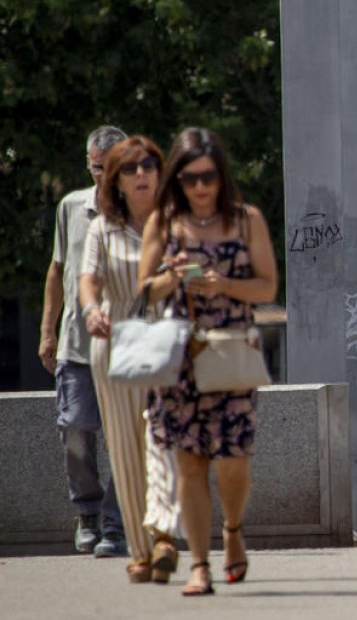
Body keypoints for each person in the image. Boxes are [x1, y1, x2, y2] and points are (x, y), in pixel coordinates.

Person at [139, 128, 278, 596]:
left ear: (222, 176)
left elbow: (267, 288)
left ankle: (233, 530)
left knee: (233, 463)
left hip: (231, 352)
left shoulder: (246, 220)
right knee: (191, 464)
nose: (200, 187)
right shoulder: (164, 221)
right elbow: (144, 292)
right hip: (181, 360)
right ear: (177, 180)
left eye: (209, 177)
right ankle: (199, 565)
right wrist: (169, 277)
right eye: (190, 178)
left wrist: (223, 285)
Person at [78, 136, 181, 583]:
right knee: (125, 449)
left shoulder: (176, 223)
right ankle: (141, 553)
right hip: (115, 345)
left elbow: (192, 273)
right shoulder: (102, 228)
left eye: (149, 166)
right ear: (116, 181)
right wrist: (91, 310)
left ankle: (162, 535)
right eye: (130, 168)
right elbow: (88, 280)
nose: (141, 174)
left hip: (165, 343)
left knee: (164, 442)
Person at [39, 125, 128, 557]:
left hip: (129, 346)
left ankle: (115, 522)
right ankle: (88, 512)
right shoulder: (71, 207)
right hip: (76, 345)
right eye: (96, 168)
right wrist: (46, 330)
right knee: (75, 427)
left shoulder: (145, 208)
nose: (102, 177)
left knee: (127, 437)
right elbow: (57, 270)